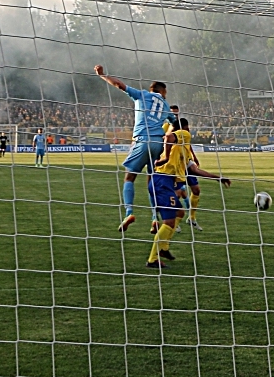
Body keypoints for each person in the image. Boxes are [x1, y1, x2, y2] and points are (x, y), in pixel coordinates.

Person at [94, 64, 169, 232]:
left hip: (142, 140)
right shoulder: (165, 105)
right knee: (152, 181)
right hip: (158, 144)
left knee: (129, 178)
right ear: (161, 91)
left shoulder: (142, 95)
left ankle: (129, 212)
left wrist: (102, 75)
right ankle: (154, 218)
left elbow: (119, 85)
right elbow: (175, 124)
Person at [145, 122, 231, 268]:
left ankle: (164, 249)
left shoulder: (183, 152)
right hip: (162, 180)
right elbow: (169, 137)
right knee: (169, 222)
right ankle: (153, 259)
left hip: (162, 181)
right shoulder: (184, 135)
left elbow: (196, 171)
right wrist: (165, 158)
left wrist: (218, 178)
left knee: (179, 212)